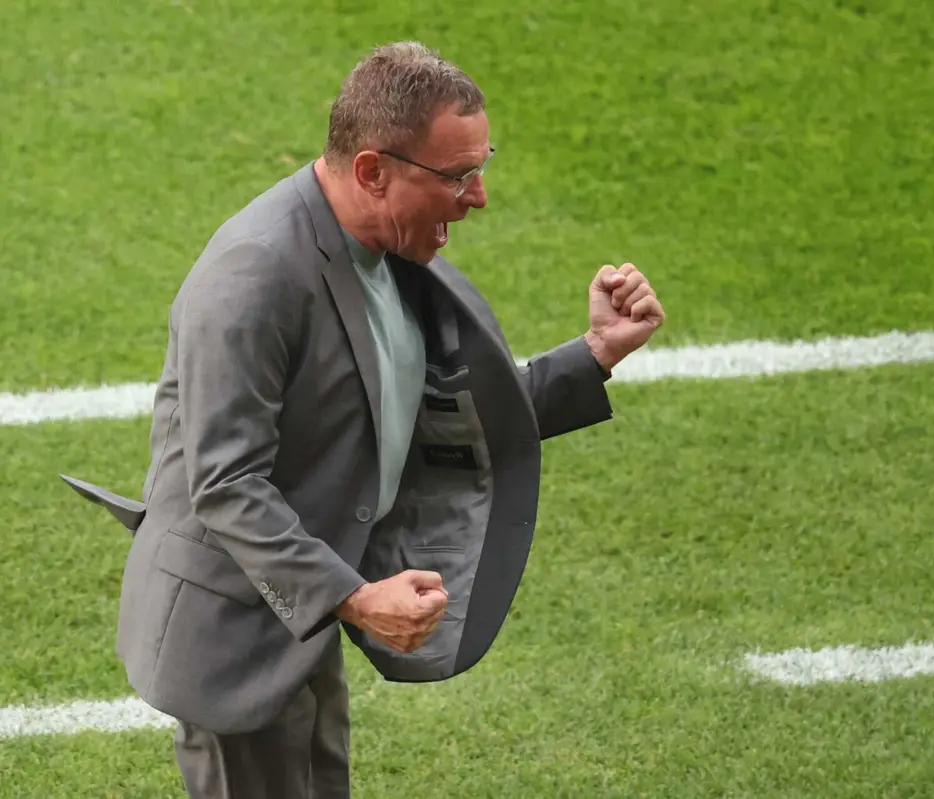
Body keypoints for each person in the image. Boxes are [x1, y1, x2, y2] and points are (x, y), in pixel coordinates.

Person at [61, 41, 664, 798]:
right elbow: (225, 483)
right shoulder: (256, 275)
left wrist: (596, 353)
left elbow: (441, 416)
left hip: (298, 615)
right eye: (457, 175)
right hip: (235, 631)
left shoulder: (383, 251)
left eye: (482, 166)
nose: (478, 197)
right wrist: (354, 597)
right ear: (374, 171)